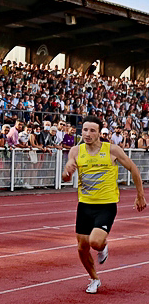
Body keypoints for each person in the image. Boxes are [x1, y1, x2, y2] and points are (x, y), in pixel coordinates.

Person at [61, 115, 146, 293]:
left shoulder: (112, 150)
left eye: (92, 130)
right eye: (85, 130)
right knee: (81, 247)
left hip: (106, 205)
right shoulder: (76, 151)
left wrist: (140, 195)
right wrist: (67, 173)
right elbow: (66, 174)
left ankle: (103, 246)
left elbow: (133, 169)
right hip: (84, 205)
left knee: (95, 242)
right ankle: (94, 279)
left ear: (100, 133)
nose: (88, 133)